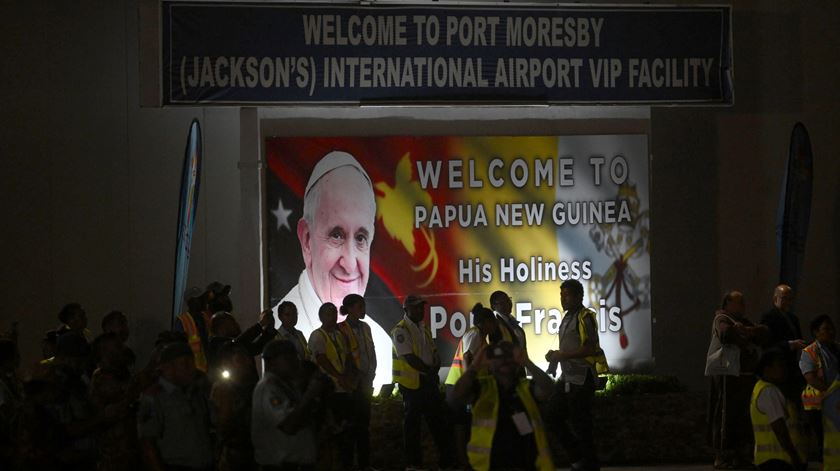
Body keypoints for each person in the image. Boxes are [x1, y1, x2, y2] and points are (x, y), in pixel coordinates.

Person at [274, 150, 392, 390]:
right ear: (306, 239)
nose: (349, 264)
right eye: (336, 235)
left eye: (361, 238)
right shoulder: (277, 330)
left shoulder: (380, 339)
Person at [450, 341, 555, 471]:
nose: (504, 361)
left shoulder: (527, 387)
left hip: (525, 464)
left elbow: (548, 388)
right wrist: (475, 366)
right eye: (498, 359)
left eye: (508, 357)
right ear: (490, 364)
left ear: (516, 363)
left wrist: (527, 362)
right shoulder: (482, 388)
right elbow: (457, 395)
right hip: (487, 466)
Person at [544, 279, 609, 471]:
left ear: (579, 296)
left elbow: (590, 348)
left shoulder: (585, 316)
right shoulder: (566, 317)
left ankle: (588, 464)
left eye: (567, 295)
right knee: (551, 416)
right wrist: (555, 358)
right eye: (561, 295)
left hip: (582, 379)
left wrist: (562, 355)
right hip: (567, 378)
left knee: (582, 426)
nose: (563, 299)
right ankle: (578, 457)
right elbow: (569, 347)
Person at [391, 294, 455, 470]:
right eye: (417, 307)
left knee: (437, 423)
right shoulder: (400, 330)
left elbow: (434, 351)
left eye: (422, 307)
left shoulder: (423, 327)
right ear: (406, 309)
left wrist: (435, 366)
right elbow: (409, 358)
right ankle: (414, 464)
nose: (421, 310)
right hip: (412, 385)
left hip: (428, 381)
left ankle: (446, 462)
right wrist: (429, 371)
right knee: (412, 427)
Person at [706, 290, 768, 469]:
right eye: (738, 302)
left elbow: (763, 334)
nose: (743, 306)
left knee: (742, 416)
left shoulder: (743, 322)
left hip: (743, 377)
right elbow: (727, 335)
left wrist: (746, 330)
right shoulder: (721, 319)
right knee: (725, 415)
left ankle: (740, 454)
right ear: (727, 303)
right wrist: (744, 332)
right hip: (727, 376)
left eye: (743, 302)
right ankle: (722, 454)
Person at [252, 339, 331, 470]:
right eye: (289, 358)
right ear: (272, 362)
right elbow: (289, 425)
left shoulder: (286, 386)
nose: (296, 363)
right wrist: (311, 393)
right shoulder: (268, 388)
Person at [137, 341, 213, 471]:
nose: (191, 368)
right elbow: (148, 442)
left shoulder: (196, 391)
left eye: (191, 363)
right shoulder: (154, 397)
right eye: (185, 364)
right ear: (168, 367)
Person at [444, 303, 499, 468]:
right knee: (461, 425)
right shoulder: (474, 334)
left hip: (464, 385)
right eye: (493, 322)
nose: (495, 326)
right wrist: (469, 384)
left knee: (466, 424)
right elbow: (467, 357)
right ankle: (463, 462)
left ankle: (468, 461)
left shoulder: (480, 336)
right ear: (485, 322)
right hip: (459, 386)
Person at [309, 302, 356, 469]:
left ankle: (346, 463)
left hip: (342, 388)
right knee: (330, 429)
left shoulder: (340, 334)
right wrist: (340, 376)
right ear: (321, 317)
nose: (333, 317)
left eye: (335, 313)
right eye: (329, 314)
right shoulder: (317, 336)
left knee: (346, 428)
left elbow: (348, 356)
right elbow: (321, 359)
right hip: (328, 389)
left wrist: (348, 376)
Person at [337, 294, 377, 471]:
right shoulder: (341, 329)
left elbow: (371, 351)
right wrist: (356, 376)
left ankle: (364, 464)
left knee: (363, 425)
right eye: (360, 307)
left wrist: (372, 372)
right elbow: (343, 357)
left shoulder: (366, 327)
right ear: (351, 308)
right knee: (350, 426)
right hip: (351, 385)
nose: (364, 310)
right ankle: (347, 464)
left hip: (366, 382)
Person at [750, 349, 806, 471]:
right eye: (780, 366)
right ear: (767, 369)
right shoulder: (769, 392)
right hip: (779, 461)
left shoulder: (761, 388)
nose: (785, 370)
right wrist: (794, 456)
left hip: (772, 460)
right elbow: (779, 428)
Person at [211, 340, 260, 471]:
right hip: (232, 453)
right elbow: (221, 425)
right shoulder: (222, 389)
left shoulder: (252, 387)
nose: (248, 363)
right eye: (241, 359)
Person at [799, 315, 840, 460]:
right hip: (817, 404)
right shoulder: (809, 352)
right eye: (826, 329)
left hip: (835, 403)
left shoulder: (836, 348)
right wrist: (831, 393)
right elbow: (811, 378)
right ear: (816, 332)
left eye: (832, 328)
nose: (831, 332)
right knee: (823, 440)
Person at [760, 284, 807, 401]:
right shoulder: (769, 317)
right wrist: (790, 345)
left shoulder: (793, 318)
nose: (788, 302)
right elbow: (767, 344)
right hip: (778, 366)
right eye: (784, 298)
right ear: (775, 299)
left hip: (793, 367)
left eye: (790, 299)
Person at [207, 310, 276, 378]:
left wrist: (269, 330)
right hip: (231, 387)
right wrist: (261, 324)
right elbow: (234, 345)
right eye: (231, 322)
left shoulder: (238, 341)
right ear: (220, 327)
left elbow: (256, 348)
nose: (236, 324)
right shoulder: (215, 343)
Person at [175, 286, 212, 372]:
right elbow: (178, 348)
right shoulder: (182, 321)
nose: (204, 301)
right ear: (191, 302)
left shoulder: (207, 318)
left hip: (210, 370)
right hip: (193, 371)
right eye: (200, 298)